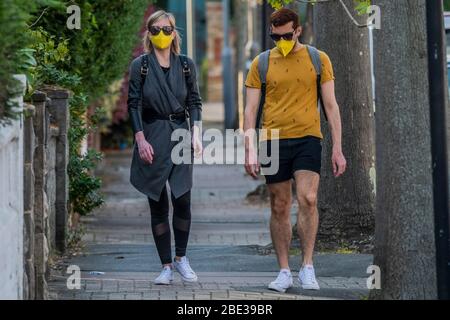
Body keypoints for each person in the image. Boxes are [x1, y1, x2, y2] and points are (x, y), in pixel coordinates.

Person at [244, 8, 347, 292]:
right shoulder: (261, 63)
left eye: (287, 36)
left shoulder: (318, 59)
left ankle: (308, 266)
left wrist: (338, 147)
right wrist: (249, 148)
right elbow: (251, 110)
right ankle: (284, 270)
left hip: (308, 138)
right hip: (273, 139)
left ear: (298, 31)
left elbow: (331, 106)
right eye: (276, 37)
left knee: (309, 198)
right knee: (279, 205)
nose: (282, 41)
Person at [127, 10, 203, 285]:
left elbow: (194, 101)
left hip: (181, 133)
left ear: (174, 32)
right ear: (149, 33)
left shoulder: (186, 65)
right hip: (152, 135)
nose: (162, 34)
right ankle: (166, 265)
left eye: (167, 29)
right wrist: (140, 139)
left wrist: (196, 133)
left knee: (182, 199)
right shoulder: (141, 66)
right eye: (156, 30)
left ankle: (182, 258)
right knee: (157, 202)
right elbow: (133, 103)